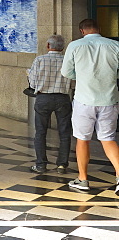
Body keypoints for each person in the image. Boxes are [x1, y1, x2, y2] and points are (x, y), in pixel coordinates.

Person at [61, 19, 119, 193]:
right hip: (109, 100)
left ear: (82, 31)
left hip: (84, 100)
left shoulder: (75, 46)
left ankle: (83, 180)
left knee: (82, 139)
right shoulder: (115, 45)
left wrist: (81, 76)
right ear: (99, 29)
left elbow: (66, 72)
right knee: (108, 139)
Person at [27, 34, 73, 174]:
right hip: (63, 98)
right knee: (64, 133)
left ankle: (41, 164)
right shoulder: (68, 60)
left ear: (48, 46)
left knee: (40, 132)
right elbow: (73, 82)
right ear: (63, 47)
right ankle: (62, 165)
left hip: (43, 98)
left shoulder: (39, 60)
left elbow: (33, 83)